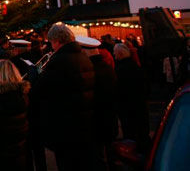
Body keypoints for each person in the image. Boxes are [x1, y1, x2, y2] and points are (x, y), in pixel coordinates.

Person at [31, 23, 95, 171]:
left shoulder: (59, 61)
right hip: (83, 120)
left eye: (52, 43)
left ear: (57, 41)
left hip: (65, 125)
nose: (51, 47)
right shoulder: (84, 57)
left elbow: (40, 91)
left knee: (67, 163)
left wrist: (35, 77)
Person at [77, 36, 117, 171]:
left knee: (98, 157)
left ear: (85, 52)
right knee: (110, 153)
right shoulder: (106, 67)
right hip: (109, 116)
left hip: (96, 119)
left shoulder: (90, 70)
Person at [114, 43, 150, 153]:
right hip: (140, 104)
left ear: (120, 54)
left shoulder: (120, 69)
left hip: (127, 106)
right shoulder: (135, 66)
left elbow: (119, 89)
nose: (114, 55)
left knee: (130, 133)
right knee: (141, 131)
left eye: (115, 53)